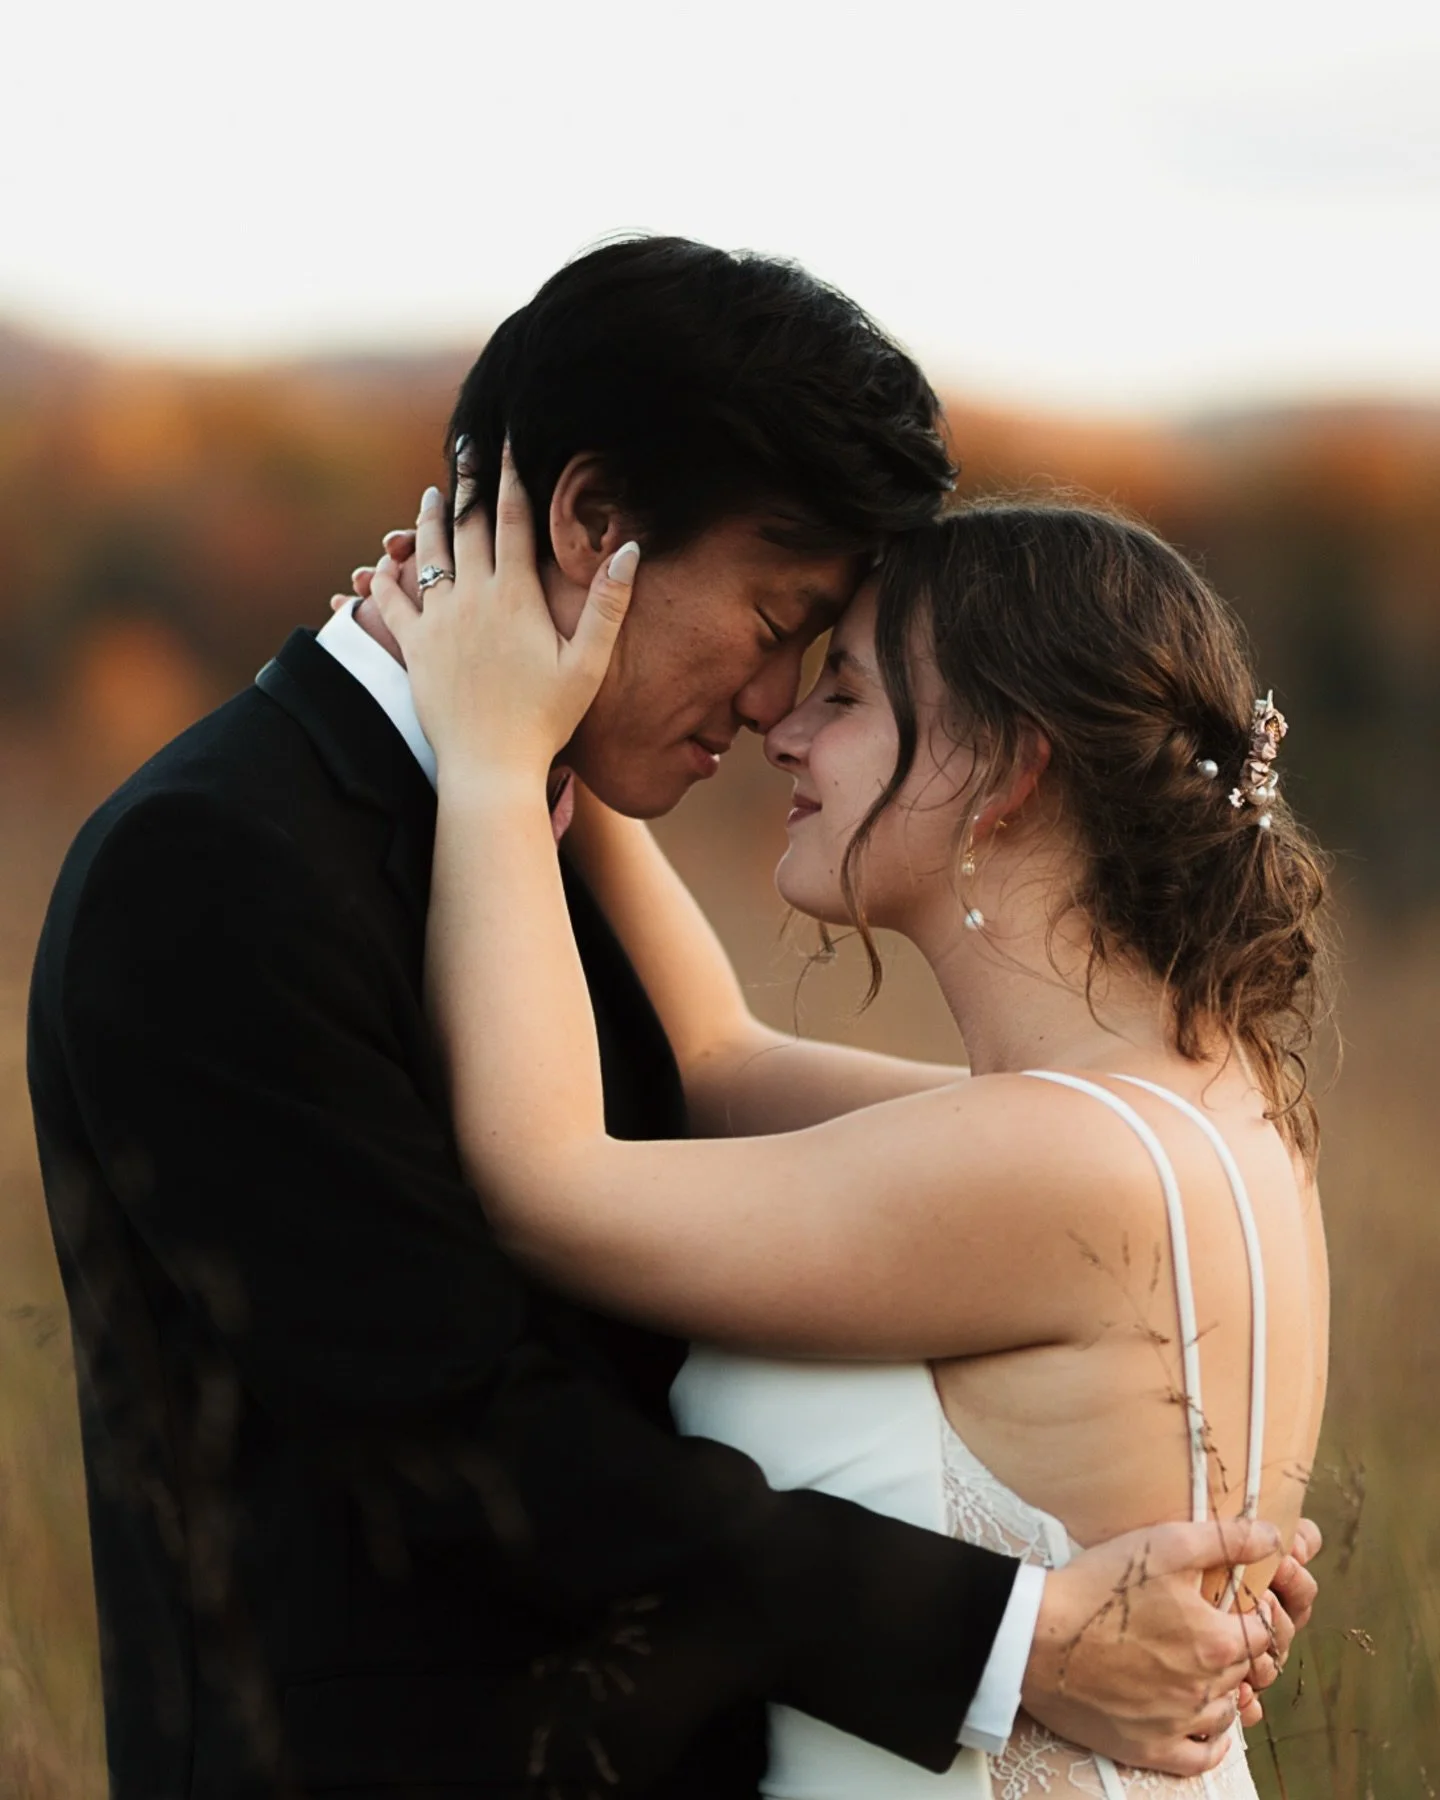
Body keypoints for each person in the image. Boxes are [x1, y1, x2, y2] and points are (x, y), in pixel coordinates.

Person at [27, 236, 1312, 1800]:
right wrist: (1017, 1633)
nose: (780, 705)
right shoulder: (217, 866)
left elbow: (711, 1092)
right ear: (590, 522)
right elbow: (473, 1438)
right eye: (780, 625)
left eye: (830, 669)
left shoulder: (541, 829)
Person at [361, 444, 1332, 1797]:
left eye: (850, 695)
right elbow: (712, 1061)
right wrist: (571, 725)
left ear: (1002, 771)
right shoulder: (1189, 1116)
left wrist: (485, 763)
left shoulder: (1056, 1163)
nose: (787, 730)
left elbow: (541, 1182)